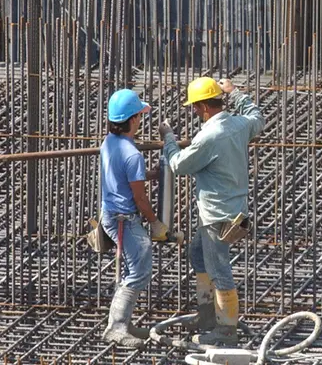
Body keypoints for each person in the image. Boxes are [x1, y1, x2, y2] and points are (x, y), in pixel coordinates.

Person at [160, 77, 264, 346]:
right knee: (198, 253)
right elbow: (256, 116)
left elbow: (179, 165)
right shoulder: (239, 124)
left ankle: (226, 330)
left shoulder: (209, 136)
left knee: (219, 270)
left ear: (204, 107)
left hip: (216, 216)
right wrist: (236, 92)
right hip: (234, 210)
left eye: (195, 106)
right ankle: (207, 316)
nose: (194, 111)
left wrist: (168, 139)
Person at [100, 89, 170, 348]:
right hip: (123, 219)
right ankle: (116, 328)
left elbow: (124, 179)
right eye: (139, 116)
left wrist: (146, 176)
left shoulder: (109, 142)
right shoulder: (132, 154)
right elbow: (140, 199)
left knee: (132, 270)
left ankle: (123, 323)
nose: (140, 120)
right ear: (131, 120)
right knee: (139, 272)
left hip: (111, 214)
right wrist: (154, 222)